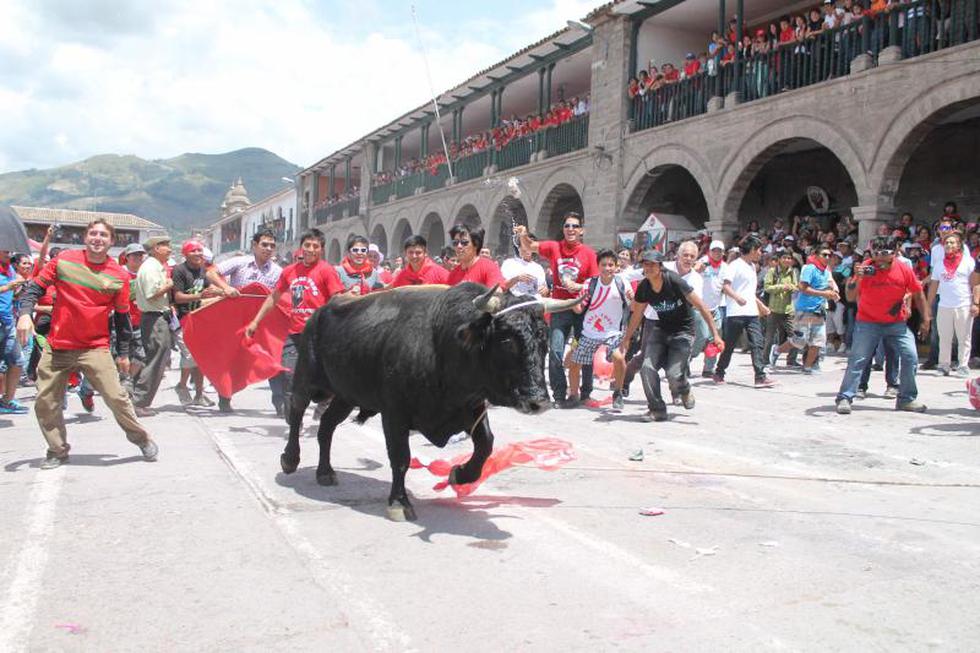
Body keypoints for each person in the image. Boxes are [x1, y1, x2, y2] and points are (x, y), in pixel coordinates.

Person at [15, 218, 158, 469]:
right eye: (93, 233)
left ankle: (141, 438)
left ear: (111, 242)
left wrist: (123, 353)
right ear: (85, 237)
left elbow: (123, 317)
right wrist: (25, 314)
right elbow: (34, 289)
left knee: (116, 397)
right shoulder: (64, 260)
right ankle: (57, 450)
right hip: (58, 345)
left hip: (95, 347)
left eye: (103, 235)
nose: (97, 238)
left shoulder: (118, 275)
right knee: (45, 402)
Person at [245, 228, 343, 419]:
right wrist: (255, 322)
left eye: (316, 246)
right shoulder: (290, 272)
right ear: (301, 247)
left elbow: (336, 298)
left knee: (323, 376)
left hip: (319, 334)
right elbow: (274, 297)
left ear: (321, 249)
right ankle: (293, 417)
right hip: (296, 333)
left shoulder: (326, 271)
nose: (311, 249)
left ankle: (325, 400)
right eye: (307, 245)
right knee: (289, 374)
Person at [621, 250, 724, 422]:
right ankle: (657, 410)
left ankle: (683, 388)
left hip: (683, 331)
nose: (649, 268)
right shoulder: (645, 287)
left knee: (674, 373)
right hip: (661, 330)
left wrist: (715, 335)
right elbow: (637, 314)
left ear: (661, 267)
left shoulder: (674, 281)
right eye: (646, 265)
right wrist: (626, 338)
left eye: (653, 264)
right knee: (647, 368)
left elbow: (702, 307)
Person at [835, 236, 931, 414]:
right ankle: (845, 397)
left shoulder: (904, 269)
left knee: (910, 356)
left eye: (884, 253)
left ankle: (906, 399)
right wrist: (857, 278)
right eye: (876, 252)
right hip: (868, 322)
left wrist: (926, 319)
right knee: (858, 359)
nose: (879, 257)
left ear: (894, 253)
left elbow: (918, 294)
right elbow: (849, 297)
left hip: (896, 324)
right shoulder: (865, 268)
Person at [515, 213, 598, 405]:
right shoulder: (554, 247)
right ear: (563, 229)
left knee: (585, 352)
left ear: (581, 230)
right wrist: (523, 234)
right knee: (555, 351)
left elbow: (594, 282)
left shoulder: (588, 253)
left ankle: (585, 393)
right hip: (559, 307)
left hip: (580, 308)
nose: (571, 229)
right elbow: (529, 246)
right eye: (567, 225)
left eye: (575, 226)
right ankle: (560, 395)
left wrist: (579, 293)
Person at [206, 228, 283, 412]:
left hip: (262, 320)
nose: (268, 248)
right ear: (254, 245)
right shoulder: (239, 262)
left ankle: (280, 403)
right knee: (230, 357)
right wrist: (225, 287)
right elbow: (211, 273)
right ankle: (225, 396)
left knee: (273, 356)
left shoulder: (278, 271)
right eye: (264, 244)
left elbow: (282, 294)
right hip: (235, 318)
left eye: (272, 245)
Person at [566, 250, 630, 411]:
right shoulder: (590, 284)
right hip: (589, 332)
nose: (607, 268)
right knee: (574, 364)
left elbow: (634, 307)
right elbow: (579, 309)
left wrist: (633, 298)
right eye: (603, 264)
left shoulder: (622, 283)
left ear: (616, 267)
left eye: (611, 265)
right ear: (598, 266)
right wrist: (572, 302)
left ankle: (618, 393)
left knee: (618, 357)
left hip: (613, 332)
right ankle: (574, 395)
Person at [713, 236, 775, 387]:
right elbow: (725, 287)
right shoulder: (734, 266)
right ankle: (719, 372)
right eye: (759, 250)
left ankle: (760, 376)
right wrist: (737, 298)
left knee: (757, 342)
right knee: (729, 345)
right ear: (753, 250)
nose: (761, 253)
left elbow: (749, 293)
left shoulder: (752, 267)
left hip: (751, 312)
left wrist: (761, 306)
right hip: (735, 313)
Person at [171, 239, 224, 406]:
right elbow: (178, 297)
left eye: (200, 250)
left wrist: (221, 292)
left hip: (200, 318)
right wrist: (200, 296)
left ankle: (199, 394)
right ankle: (181, 385)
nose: (198, 254)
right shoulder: (179, 271)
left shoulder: (203, 271)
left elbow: (209, 291)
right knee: (189, 355)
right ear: (185, 254)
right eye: (193, 251)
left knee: (200, 358)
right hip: (183, 318)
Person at [771, 246, 840, 373]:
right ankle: (777, 350)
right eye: (824, 255)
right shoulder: (809, 268)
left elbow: (830, 282)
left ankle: (807, 367)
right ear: (817, 255)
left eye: (829, 255)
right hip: (805, 310)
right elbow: (803, 287)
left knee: (817, 342)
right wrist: (824, 294)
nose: (827, 257)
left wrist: (834, 291)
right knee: (799, 340)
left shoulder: (825, 270)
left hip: (819, 310)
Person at [130, 235, 173, 417]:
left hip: (157, 317)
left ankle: (138, 398)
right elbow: (151, 293)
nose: (170, 249)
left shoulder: (155, 266)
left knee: (155, 357)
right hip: (154, 318)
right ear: (156, 248)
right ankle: (139, 401)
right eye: (166, 246)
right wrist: (169, 285)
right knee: (155, 359)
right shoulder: (150, 268)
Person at [926, 232, 976, 377]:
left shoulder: (968, 262)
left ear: (959, 245)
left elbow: (975, 284)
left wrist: (975, 303)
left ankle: (962, 365)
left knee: (963, 337)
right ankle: (944, 365)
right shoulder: (940, 264)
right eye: (947, 243)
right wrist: (928, 306)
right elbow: (934, 286)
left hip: (964, 304)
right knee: (944, 337)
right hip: (944, 305)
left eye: (952, 242)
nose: (949, 245)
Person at [0, 249, 27, 413]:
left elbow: (14, 296)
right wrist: (5, 287)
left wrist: (19, 288)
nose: (9, 254)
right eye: (5, 251)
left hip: (8, 322)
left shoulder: (9, 269)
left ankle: (7, 401)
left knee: (17, 361)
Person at [762, 249, 798, 370]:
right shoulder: (772, 271)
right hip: (774, 309)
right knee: (770, 336)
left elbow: (796, 286)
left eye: (789, 258)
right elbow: (767, 287)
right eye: (784, 258)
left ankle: (791, 360)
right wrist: (782, 287)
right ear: (779, 260)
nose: (787, 260)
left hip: (788, 309)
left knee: (795, 335)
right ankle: (765, 360)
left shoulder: (792, 272)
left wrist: (791, 288)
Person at [696, 240, 728, 376]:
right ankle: (685, 361)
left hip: (716, 308)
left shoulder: (725, 267)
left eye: (719, 251)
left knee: (715, 339)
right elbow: (692, 271)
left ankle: (708, 368)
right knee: (701, 337)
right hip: (699, 307)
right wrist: (698, 269)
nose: (717, 253)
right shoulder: (703, 262)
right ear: (709, 251)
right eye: (714, 250)